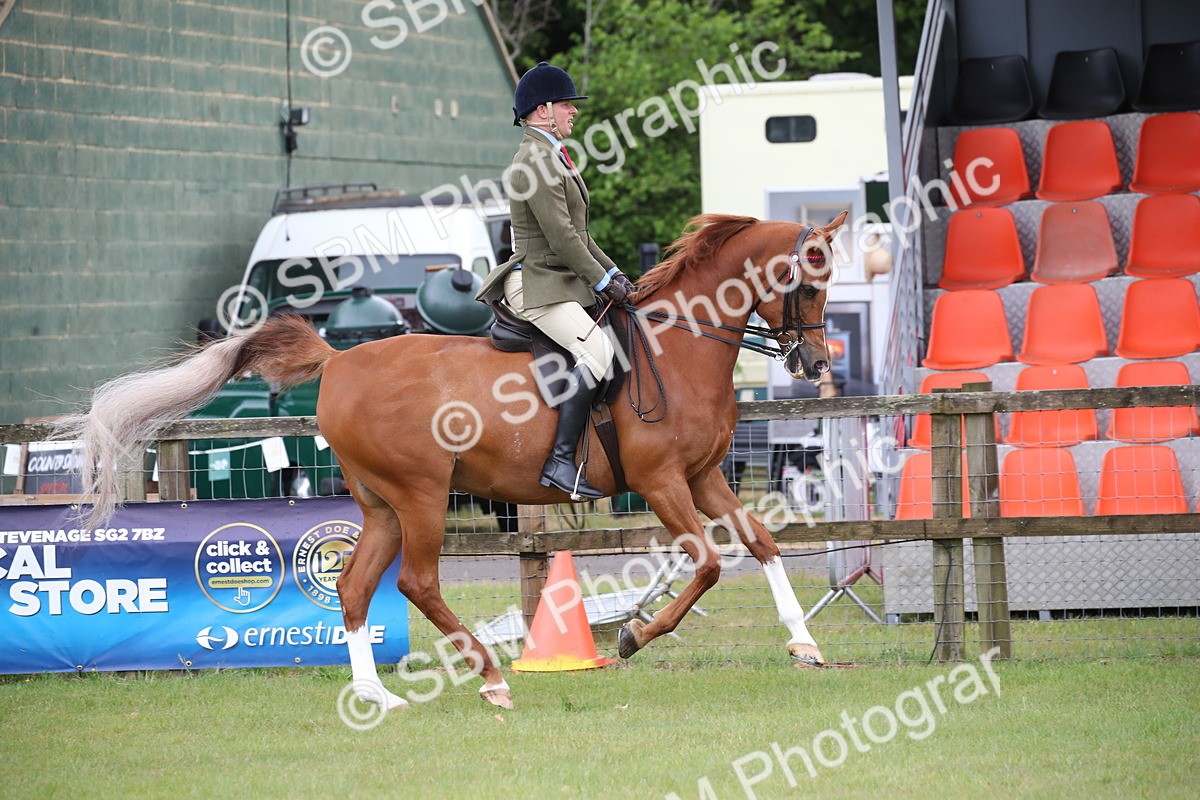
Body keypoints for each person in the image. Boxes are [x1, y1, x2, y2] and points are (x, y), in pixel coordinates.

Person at [477, 61, 636, 499]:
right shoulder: (533, 159)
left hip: (558, 281)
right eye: (568, 105)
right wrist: (602, 281)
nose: (574, 113)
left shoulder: (550, 154)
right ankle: (560, 461)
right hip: (535, 284)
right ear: (544, 109)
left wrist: (615, 272)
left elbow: (581, 235)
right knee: (599, 351)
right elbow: (562, 238)